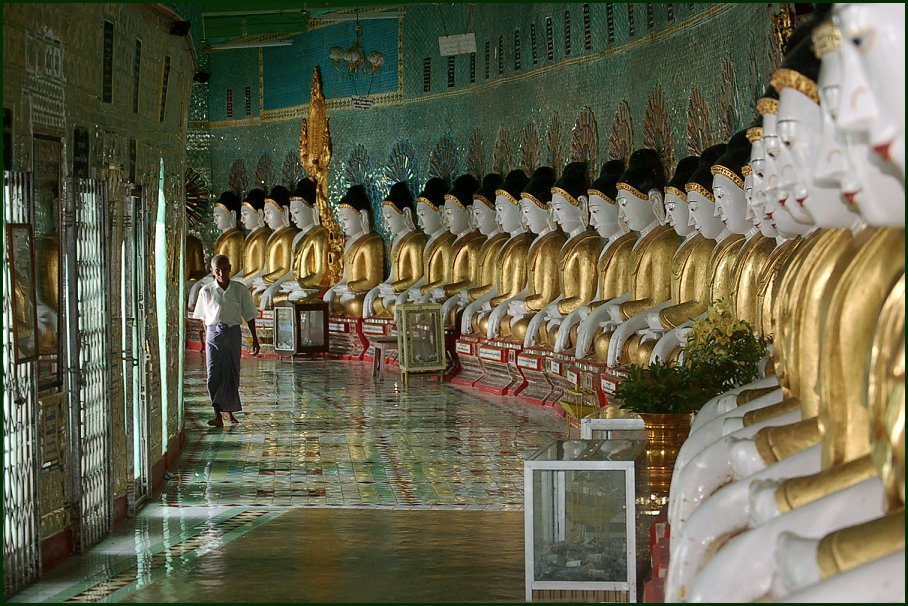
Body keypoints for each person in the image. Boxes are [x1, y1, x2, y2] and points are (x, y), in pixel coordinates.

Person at [192, 254, 260, 427]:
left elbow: (250, 315)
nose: (221, 273)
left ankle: (228, 413)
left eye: (224, 269)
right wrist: (208, 340)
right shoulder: (206, 290)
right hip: (214, 334)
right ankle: (217, 414)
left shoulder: (239, 289)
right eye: (217, 270)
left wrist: (255, 339)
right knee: (213, 374)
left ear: (230, 268)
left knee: (231, 373)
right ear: (212, 271)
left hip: (233, 332)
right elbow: (203, 319)